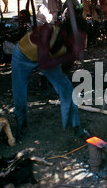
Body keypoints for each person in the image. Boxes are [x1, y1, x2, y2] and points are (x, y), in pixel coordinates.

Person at [11, 11, 87, 141]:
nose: (80, 43)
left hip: (48, 60)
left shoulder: (69, 45)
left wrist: (71, 58)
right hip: (22, 58)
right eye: (77, 40)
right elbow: (43, 63)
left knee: (67, 90)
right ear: (64, 34)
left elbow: (63, 70)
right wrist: (70, 55)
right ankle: (20, 128)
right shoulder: (46, 31)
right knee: (20, 95)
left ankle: (75, 126)